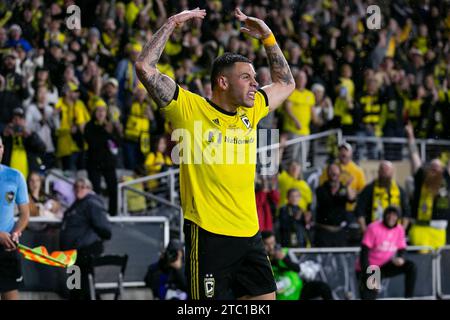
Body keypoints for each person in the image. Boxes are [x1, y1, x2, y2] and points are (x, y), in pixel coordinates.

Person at [135, 7, 295, 300]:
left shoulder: (253, 110)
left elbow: (286, 83)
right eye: (246, 78)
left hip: (250, 235)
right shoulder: (190, 109)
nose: (255, 83)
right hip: (209, 236)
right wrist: (172, 23)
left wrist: (269, 38)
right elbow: (145, 67)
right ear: (222, 82)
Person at [59, 177, 112, 300]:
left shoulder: (91, 203)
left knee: (83, 287)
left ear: (89, 189)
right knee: (75, 287)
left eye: (82, 186)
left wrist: (86, 240)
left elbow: (104, 229)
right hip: (73, 254)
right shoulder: (77, 204)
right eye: (76, 187)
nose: (78, 189)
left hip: (84, 251)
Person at [405, 123, 450, 248]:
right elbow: (414, 156)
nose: (434, 168)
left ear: (443, 169)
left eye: (438, 167)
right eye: (432, 166)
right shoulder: (421, 177)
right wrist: (411, 136)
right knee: (422, 263)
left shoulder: (446, 178)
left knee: (437, 263)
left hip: (439, 230)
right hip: (419, 228)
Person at [358, 206, 417, 300]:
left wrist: (401, 257)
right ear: (384, 215)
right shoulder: (373, 228)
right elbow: (364, 254)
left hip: (385, 265)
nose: (391, 217)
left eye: (394, 215)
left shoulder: (399, 229)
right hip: (371, 267)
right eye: (389, 214)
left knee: (411, 266)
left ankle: (409, 297)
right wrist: (369, 276)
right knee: (370, 295)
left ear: (398, 217)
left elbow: (402, 248)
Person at [0, 136, 30, 300]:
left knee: (11, 296)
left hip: (7, 248)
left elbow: (25, 214)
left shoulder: (15, 176)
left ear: (3, 149)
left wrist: (17, 232)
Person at [262, 231, 333, 300]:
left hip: (298, 289)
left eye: (272, 243)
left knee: (323, 287)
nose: (271, 247)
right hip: (281, 295)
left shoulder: (285, 252)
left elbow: (298, 269)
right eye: (267, 244)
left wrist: (284, 259)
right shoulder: (262, 260)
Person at [84, 104, 121, 216]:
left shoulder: (111, 126)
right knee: (95, 190)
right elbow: (93, 142)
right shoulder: (89, 126)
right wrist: (106, 133)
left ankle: (113, 214)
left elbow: (118, 143)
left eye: (103, 110)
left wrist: (113, 132)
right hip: (94, 163)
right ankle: (95, 214)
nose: (100, 113)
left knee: (113, 189)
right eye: (98, 110)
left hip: (108, 163)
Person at [356, 161, 411, 233]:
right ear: (378, 172)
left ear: (392, 173)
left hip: (394, 232)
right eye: (382, 170)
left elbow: (406, 213)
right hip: (374, 232)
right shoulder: (369, 189)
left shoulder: (400, 191)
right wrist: (365, 231)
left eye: (387, 170)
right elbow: (360, 212)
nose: (384, 173)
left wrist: (401, 232)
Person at [315, 163, 356, 247]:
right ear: (327, 173)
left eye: (335, 171)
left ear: (339, 173)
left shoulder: (344, 189)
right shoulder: (320, 189)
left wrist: (347, 186)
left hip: (340, 232)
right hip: (324, 231)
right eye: (331, 171)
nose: (333, 173)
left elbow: (352, 199)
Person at [1, 108, 46, 178]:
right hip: (8, 177)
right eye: (15, 119)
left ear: (24, 121)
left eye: (20, 119)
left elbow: (42, 149)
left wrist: (30, 136)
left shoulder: (29, 136)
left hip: (27, 178)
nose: (17, 122)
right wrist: (4, 136)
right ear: (11, 122)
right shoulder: (6, 136)